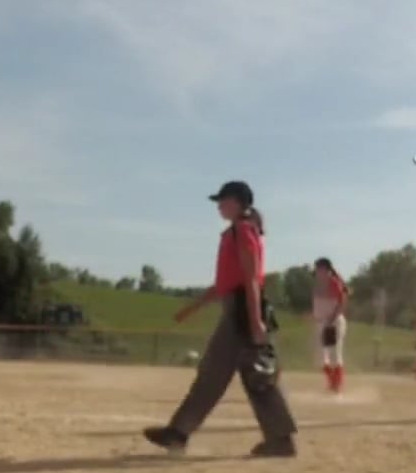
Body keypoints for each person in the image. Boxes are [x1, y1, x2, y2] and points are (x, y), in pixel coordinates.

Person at [143, 181, 299, 458]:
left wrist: (255, 321)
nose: (218, 206)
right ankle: (279, 439)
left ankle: (179, 433)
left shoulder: (242, 231)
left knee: (233, 374)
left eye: (223, 200)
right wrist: (193, 307)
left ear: (237, 202)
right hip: (238, 308)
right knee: (249, 375)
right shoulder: (236, 231)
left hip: (243, 311)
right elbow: (225, 283)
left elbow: (251, 279)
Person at [312, 258, 349, 395]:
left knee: (333, 354)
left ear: (327, 270)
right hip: (323, 323)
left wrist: (331, 320)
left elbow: (341, 302)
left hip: (332, 323)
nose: (317, 271)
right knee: (322, 356)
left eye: (320, 269)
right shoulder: (319, 285)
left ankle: (336, 385)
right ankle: (333, 382)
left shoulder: (333, 283)